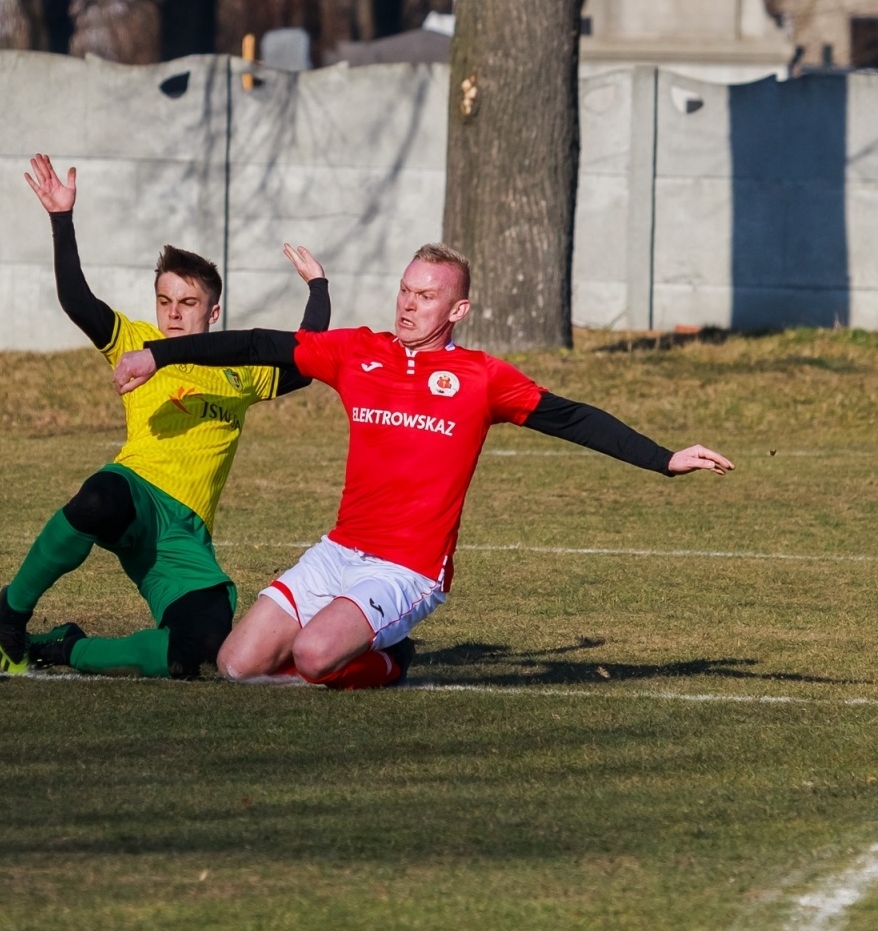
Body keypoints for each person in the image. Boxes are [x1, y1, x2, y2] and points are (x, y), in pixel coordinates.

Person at [112, 242, 734, 689]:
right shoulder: (360, 352)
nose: (408, 306)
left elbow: (570, 417)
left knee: (311, 658)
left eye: (426, 296)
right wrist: (159, 355)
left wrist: (665, 459)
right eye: (405, 291)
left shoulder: (483, 378)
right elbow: (258, 343)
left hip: (410, 567)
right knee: (236, 665)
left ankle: (391, 659)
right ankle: (358, 640)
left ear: (457, 311)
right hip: (341, 549)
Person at [0, 154, 330, 679]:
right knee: (99, 496)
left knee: (200, 652)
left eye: (187, 302)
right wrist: (62, 219)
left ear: (213, 313)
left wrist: (318, 288)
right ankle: (12, 613)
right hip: (135, 494)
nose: (172, 312)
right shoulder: (135, 341)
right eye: (165, 299)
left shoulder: (241, 371)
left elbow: (308, 358)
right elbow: (76, 299)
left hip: (183, 536)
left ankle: (62, 648)